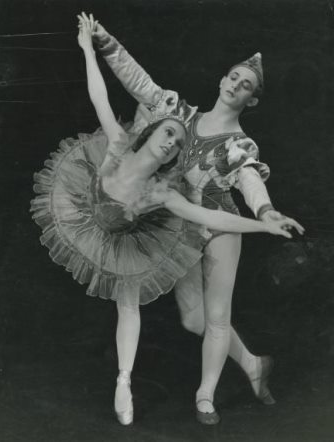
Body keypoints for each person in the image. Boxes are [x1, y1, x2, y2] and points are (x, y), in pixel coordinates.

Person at [31, 18, 303, 427]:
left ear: (252, 99)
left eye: (245, 84)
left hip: (220, 220)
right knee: (192, 319)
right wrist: (102, 42)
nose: (234, 85)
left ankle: (204, 396)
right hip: (177, 225)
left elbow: (248, 180)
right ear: (221, 79)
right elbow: (135, 79)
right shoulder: (177, 113)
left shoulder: (240, 145)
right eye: (232, 77)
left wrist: (265, 213)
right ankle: (252, 363)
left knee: (216, 316)